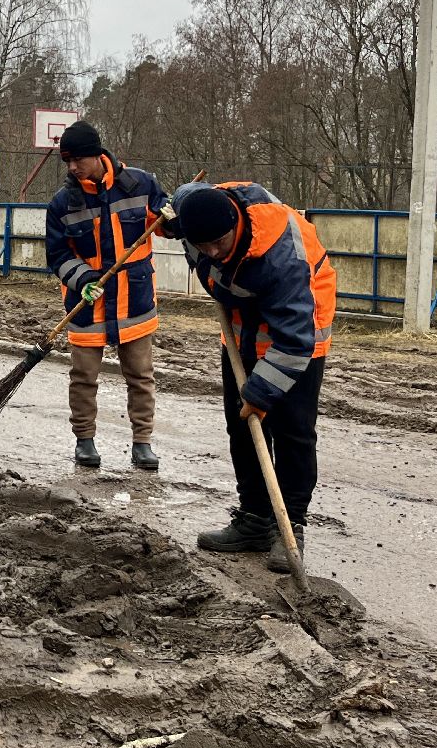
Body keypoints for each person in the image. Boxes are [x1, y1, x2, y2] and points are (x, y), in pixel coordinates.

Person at [167, 181, 336, 574]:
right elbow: (174, 204)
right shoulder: (197, 214)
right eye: (201, 244)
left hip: (299, 332)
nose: (211, 252)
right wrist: (164, 223)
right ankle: (256, 520)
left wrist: (259, 393)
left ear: (234, 225)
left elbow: (295, 342)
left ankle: (289, 524)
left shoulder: (282, 256)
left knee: (292, 430)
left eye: (218, 244)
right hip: (242, 324)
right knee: (241, 424)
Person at [44, 121, 169, 471]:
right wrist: (82, 277)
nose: (71, 167)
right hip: (88, 304)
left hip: (135, 301)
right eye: (66, 161)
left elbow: (167, 223)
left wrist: (174, 218)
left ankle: (142, 443)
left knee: (141, 376)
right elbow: (57, 255)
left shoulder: (140, 184)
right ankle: (85, 441)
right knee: (83, 377)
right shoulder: (62, 204)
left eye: (77, 160)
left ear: (97, 154)